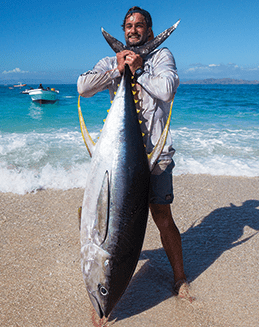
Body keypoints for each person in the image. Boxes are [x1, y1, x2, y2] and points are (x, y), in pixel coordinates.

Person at [77, 6, 194, 301]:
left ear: (150, 31)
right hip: (117, 160)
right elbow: (83, 87)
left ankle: (180, 279)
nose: (132, 30)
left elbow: (168, 89)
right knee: (107, 216)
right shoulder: (111, 60)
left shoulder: (161, 56)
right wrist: (117, 70)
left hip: (155, 157)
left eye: (139, 25)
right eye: (128, 25)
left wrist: (139, 69)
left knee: (161, 216)